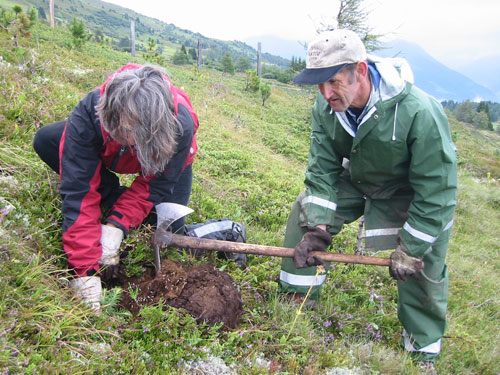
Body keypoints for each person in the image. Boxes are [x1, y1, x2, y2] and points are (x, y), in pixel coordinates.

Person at [279, 29, 457, 371]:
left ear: (360, 71)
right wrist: (317, 226)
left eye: (333, 81)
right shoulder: (325, 105)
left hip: (409, 191)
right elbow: (322, 169)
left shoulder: (420, 112)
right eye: (318, 84)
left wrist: (411, 248)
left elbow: (436, 191)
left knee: (426, 260)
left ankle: (423, 350)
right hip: (358, 179)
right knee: (305, 207)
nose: (325, 93)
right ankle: (296, 297)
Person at [33, 63, 199, 311]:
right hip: (108, 152)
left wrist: (117, 225)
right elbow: (79, 193)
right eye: (124, 131)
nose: (131, 140)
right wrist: (85, 271)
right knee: (48, 139)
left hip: (166, 161)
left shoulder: (180, 125)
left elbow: (155, 183)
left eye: (137, 135)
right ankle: (111, 199)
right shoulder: (89, 116)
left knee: (171, 227)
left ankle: (123, 213)